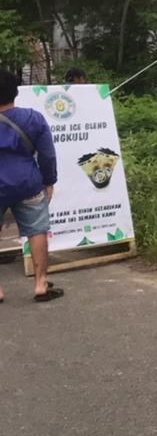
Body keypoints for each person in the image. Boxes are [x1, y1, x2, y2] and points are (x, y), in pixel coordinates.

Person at [0, 70, 60, 303]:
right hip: (27, 183)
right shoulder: (33, 118)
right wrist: (49, 181)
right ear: (15, 92)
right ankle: (40, 283)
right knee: (36, 231)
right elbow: (47, 155)